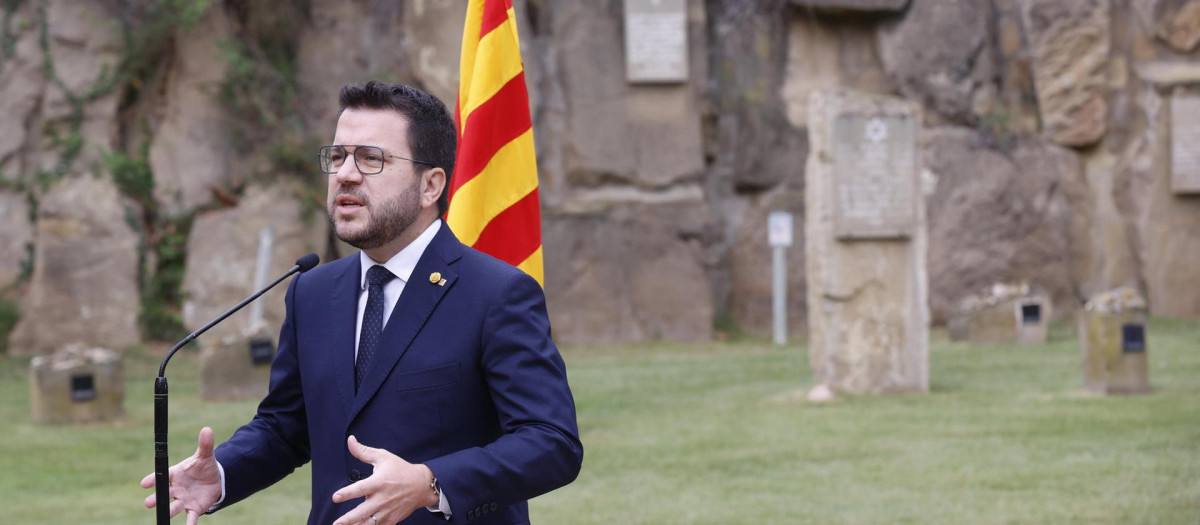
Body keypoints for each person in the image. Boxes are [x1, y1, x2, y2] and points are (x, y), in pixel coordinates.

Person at [140, 81, 583, 525]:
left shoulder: (496, 293)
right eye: (337, 157)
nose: (346, 174)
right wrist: (222, 473)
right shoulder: (312, 291)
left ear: (431, 186)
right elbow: (286, 426)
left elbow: (551, 442)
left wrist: (431, 483)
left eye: (372, 158)